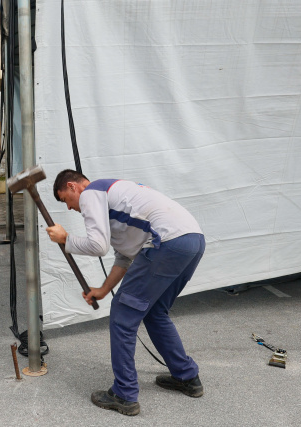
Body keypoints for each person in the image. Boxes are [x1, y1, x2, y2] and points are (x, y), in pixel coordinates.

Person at [46, 169, 205, 416]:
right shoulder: (118, 202)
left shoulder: (91, 192)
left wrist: (66, 239)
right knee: (155, 313)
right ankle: (187, 377)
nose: (69, 207)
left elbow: (98, 246)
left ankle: (124, 394)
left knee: (122, 317)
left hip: (168, 242)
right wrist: (104, 289)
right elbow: (126, 256)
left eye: (65, 199)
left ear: (73, 186)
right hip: (192, 241)